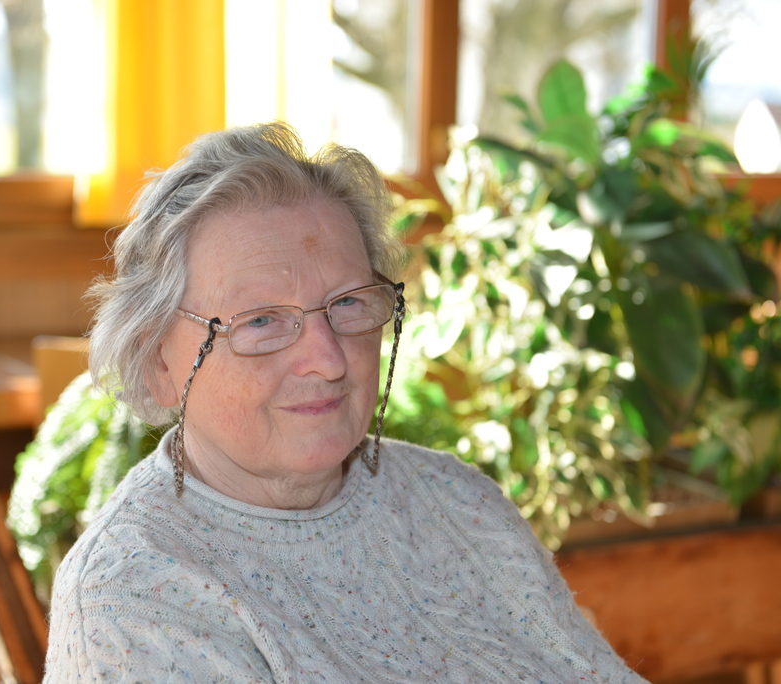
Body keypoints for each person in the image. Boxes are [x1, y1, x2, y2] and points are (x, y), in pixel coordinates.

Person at [43, 122, 647, 683]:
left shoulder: (457, 501)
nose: (329, 360)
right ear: (158, 362)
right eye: (261, 321)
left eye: (349, 304)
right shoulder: (133, 597)